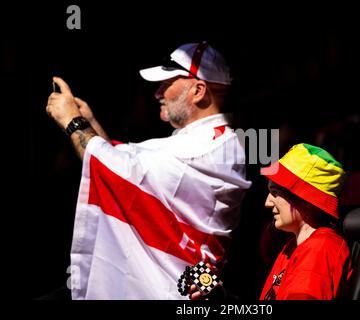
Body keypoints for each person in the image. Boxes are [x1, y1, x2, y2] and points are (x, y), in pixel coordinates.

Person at [45, 41, 251, 299]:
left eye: (166, 84)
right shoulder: (203, 140)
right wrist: (90, 123)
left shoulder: (209, 148)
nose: (157, 93)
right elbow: (123, 166)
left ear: (198, 90)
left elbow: (121, 173)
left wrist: (72, 121)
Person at [189, 143, 352, 300]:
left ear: (306, 198)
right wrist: (221, 297)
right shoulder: (293, 247)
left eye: (275, 192)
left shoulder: (320, 249)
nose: (267, 202)